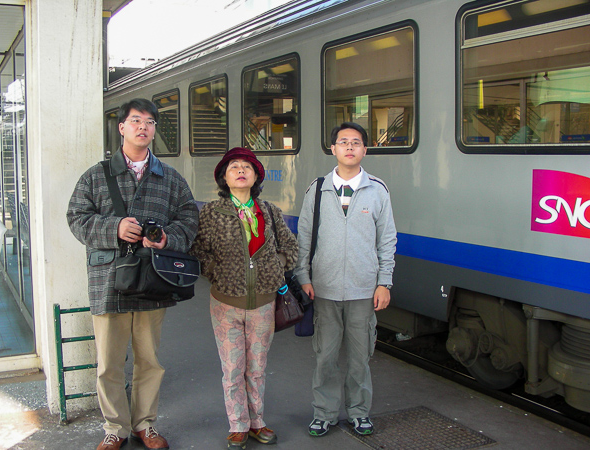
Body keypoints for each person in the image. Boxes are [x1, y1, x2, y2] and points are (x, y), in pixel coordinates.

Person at [67, 98, 199, 450]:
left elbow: (189, 217)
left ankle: (145, 425)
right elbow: (76, 217)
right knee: (109, 362)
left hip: (152, 278)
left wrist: (168, 238)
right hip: (108, 279)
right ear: (122, 127)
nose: (143, 127)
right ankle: (115, 428)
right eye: (136, 120)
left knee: (149, 360)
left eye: (150, 122)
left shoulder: (170, 178)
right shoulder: (96, 176)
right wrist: (114, 228)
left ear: (154, 130)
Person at [191, 147, 298, 450]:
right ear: (224, 178)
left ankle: (257, 422)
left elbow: (291, 247)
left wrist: (275, 266)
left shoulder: (270, 211)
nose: (241, 171)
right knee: (233, 368)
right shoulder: (211, 212)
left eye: (247, 167)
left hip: (264, 303)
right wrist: (217, 271)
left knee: (258, 367)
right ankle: (238, 425)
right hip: (226, 304)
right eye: (234, 167)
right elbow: (198, 251)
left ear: (256, 176)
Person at [295, 122, 397, 437]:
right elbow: (304, 235)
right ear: (333, 149)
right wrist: (303, 275)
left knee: (359, 358)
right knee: (325, 357)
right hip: (323, 289)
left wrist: (384, 282)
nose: (349, 147)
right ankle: (323, 413)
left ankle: (359, 412)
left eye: (356, 142)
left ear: (365, 149)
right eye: (343, 142)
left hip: (363, 290)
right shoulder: (318, 188)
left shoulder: (377, 190)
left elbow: (387, 239)